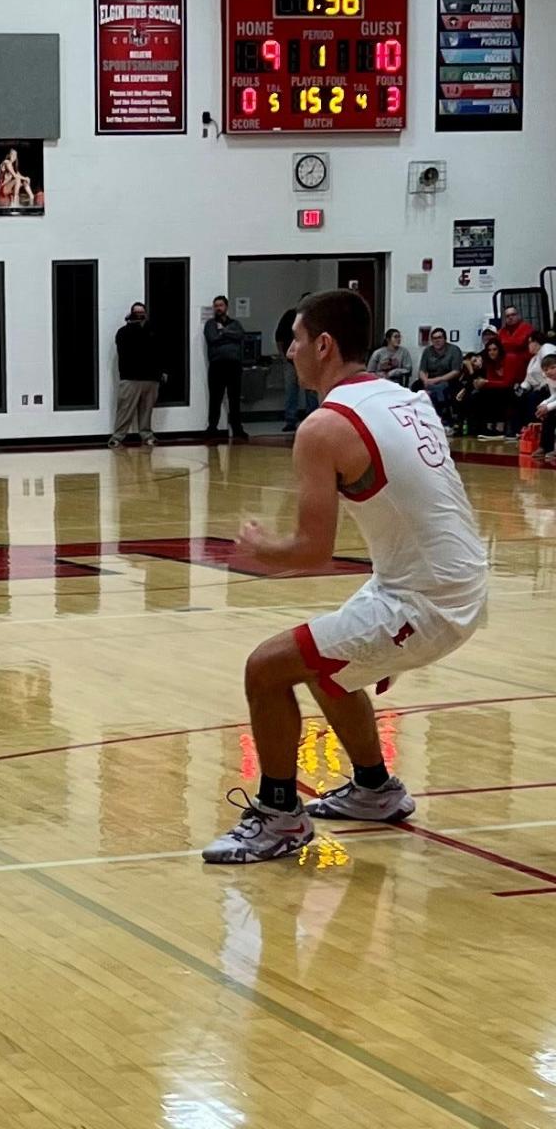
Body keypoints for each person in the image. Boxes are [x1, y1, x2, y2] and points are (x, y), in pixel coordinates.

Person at [201, 290, 487, 864]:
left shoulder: (324, 426)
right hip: (449, 579)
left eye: (297, 340)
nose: (289, 352)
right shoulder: (408, 400)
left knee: (265, 668)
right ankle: (375, 789)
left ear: (324, 345)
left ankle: (281, 818)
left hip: (426, 597)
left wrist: (258, 549)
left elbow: (311, 551)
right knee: (329, 668)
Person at [109, 303, 165, 448]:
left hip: (151, 378)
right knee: (125, 409)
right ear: (131, 314)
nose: (139, 315)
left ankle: (147, 435)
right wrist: (133, 325)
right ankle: (118, 437)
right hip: (130, 377)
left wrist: (161, 372)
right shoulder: (123, 332)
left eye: (142, 313)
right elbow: (129, 347)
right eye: (136, 313)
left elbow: (159, 350)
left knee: (147, 410)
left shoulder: (153, 330)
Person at [204, 295, 248, 440]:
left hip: (234, 366)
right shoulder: (210, 324)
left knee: (234, 399)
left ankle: (237, 429)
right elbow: (212, 338)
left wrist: (223, 331)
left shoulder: (235, 323)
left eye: (221, 305)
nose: (218, 308)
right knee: (215, 399)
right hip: (217, 366)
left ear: (226, 307)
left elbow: (241, 335)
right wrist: (228, 336)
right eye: (216, 306)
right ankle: (212, 429)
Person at [275, 298, 317, 432]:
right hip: (291, 361)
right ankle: (290, 420)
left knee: (311, 392)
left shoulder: (316, 318)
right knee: (291, 390)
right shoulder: (290, 316)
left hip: (310, 360)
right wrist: (283, 357)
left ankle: (312, 419)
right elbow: (279, 337)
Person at [417, 328, 463, 425]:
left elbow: (456, 371)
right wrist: (425, 380)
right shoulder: (427, 351)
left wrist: (437, 379)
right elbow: (422, 370)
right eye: (434, 338)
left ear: (445, 339)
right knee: (415, 386)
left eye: (439, 338)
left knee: (442, 388)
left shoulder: (454, 350)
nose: (437, 341)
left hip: (449, 379)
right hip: (430, 379)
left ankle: (444, 417)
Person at [515, 332, 556, 428]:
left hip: (546, 386)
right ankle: (522, 428)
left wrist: (546, 405)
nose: (528, 345)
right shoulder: (533, 359)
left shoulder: (546, 348)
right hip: (543, 388)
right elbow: (528, 380)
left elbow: (550, 364)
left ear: (537, 342)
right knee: (518, 397)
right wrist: (521, 389)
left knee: (532, 397)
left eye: (530, 342)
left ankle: (535, 427)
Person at [498, 305, 534, 379]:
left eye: (513, 314)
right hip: (507, 368)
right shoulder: (501, 332)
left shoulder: (527, 328)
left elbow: (518, 343)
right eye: (507, 316)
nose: (510, 317)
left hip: (525, 367)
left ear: (518, 315)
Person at [534, 354, 556, 464]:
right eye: (546, 369)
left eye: (553, 367)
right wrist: (543, 404)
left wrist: (547, 407)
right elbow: (554, 395)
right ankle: (545, 446)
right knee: (549, 415)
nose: (549, 372)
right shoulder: (551, 379)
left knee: (550, 411)